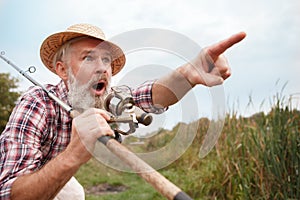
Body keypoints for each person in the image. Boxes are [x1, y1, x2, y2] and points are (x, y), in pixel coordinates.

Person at [0, 23, 246, 199]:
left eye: (106, 60)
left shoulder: (105, 98)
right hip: (19, 180)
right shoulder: (36, 104)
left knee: (73, 193)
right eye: (88, 58)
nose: (102, 69)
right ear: (63, 71)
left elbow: (147, 96)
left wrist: (188, 75)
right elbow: (10, 194)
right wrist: (74, 154)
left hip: (50, 176)